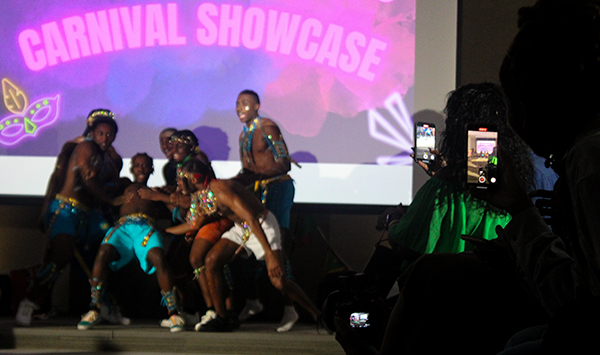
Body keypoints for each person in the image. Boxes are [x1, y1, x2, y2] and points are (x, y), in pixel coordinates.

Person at [388, 83, 534, 272]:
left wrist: (393, 219)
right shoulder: (513, 183)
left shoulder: (443, 188)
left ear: (455, 128)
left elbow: (406, 246)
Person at [166, 158, 324, 332]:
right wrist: (167, 231)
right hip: (242, 228)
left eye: (181, 179)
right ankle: (222, 318)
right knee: (211, 261)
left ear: (194, 179)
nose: (178, 183)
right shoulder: (201, 195)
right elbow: (194, 224)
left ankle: (318, 316)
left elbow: (251, 218)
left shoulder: (222, 191)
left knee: (279, 281)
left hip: (261, 225)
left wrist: (269, 253)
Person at [16, 112, 125, 326]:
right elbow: (85, 180)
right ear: (92, 132)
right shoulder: (84, 147)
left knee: (113, 243)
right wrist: (45, 207)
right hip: (65, 210)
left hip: (88, 215)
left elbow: (112, 181)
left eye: (109, 135)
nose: (105, 138)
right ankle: (29, 302)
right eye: (100, 133)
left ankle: (102, 304)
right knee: (61, 257)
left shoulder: (107, 159)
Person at [77, 153, 185, 332]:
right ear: (132, 168)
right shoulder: (124, 185)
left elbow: (177, 211)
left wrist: (161, 197)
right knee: (103, 252)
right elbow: (99, 188)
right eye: (137, 165)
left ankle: (173, 313)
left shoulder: (157, 191)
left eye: (145, 166)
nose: (141, 169)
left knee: (158, 257)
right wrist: (111, 199)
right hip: (123, 228)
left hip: (146, 229)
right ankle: (94, 309)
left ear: (152, 169)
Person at [232, 89, 300, 332]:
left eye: (246, 104)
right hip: (258, 193)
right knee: (247, 246)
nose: (240, 108)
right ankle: (253, 300)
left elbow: (283, 162)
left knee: (276, 246)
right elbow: (248, 171)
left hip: (278, 190)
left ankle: (290, 309)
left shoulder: (268, 128)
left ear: (257, 106)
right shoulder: (243, 135)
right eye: (238, 104)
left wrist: (259, 176)